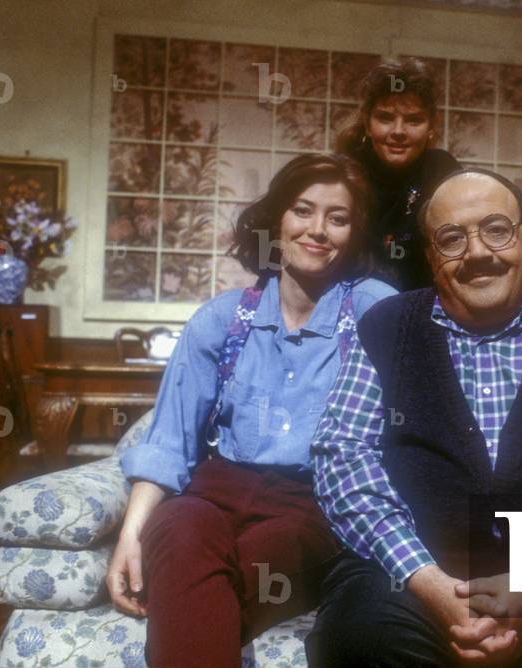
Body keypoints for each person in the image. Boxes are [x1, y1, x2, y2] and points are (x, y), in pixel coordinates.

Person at [308, 168, 522, 667]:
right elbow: (342, 456)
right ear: (432, 258)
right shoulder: (386, 327)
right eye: (452, 239)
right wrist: (428, 582)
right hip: (411, 568)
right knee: (361, 640)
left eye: (496, 229)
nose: (477, 253)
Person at [107, 153, 397, 668]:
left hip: (314, 504)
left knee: (246, 563)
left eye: (338, 217)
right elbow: (170, 439)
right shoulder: (222, 318)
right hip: (219, 487)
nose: (318, 230)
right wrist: (131, 536)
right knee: (177, 526)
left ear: (355, 233)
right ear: (276, 221)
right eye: (302, 210)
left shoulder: (374, 307)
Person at [337, 58, 461, 291]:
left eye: (414, 120)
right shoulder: (344, 172)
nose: (398, 132)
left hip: (423, 306)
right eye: (385, 118)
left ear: (433, 124)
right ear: (367, 122)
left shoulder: (443, 171)